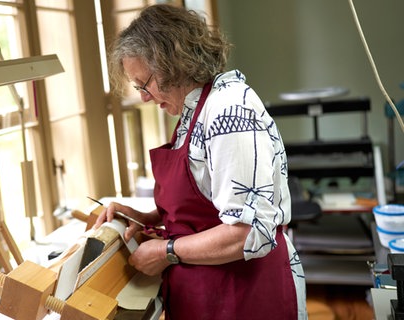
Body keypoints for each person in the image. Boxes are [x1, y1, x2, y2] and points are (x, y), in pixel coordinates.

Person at [94, 4, 307, 320]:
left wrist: (166, 251)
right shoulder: (195, 109)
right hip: (205, 291)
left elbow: (248, 232)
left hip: (245, 295)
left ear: (173, 63)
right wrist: (145, 216)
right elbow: (207, 200)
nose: (144, 97)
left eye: (144, 84)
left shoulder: (229, 113)